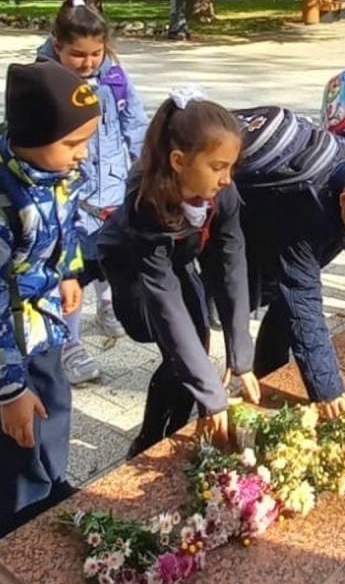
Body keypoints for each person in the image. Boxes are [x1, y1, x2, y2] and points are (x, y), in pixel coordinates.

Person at [0, 61, 100, 541]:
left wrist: (69, 270)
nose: (82, 154)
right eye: (72, 143)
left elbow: (65, 223)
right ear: (31, 135)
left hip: (40, 322)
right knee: (14, 431)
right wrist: (6, 391)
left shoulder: (53, 173)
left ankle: (53, 486)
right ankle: (16, 521)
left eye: (86, 141)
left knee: (52, 404)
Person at [98, 91, 259, 457]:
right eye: (218, 167)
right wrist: (213, 395)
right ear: (178, 161)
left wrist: (240, 356)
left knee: (196, 344)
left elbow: (231, 265)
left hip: (181, 258)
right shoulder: (147, 201)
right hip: (135, 270)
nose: (227, 178)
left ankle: (182, 429)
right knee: (178, 350)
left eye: (231, 166)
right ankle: (149, 440)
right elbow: (165, 300)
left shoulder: (224, 192)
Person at [240, 132, 345, 408]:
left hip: (266, 233)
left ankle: (267, 386)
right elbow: (304, 298)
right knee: (191, 333)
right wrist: (329, 391)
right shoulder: (308, 212)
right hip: (223, 242)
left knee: (285, 309)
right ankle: (156, 436)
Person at [37, 0, 148, 384]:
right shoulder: (40, 80)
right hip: (68, 196)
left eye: (95, 54)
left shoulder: (114, 76)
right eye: (77, 55)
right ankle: (67, 342)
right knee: (70, 271)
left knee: (109, 258)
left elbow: (135, 124)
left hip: (114, 189)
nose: (87, 63)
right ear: (57, 45)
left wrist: (144, 171)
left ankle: (108, 306)